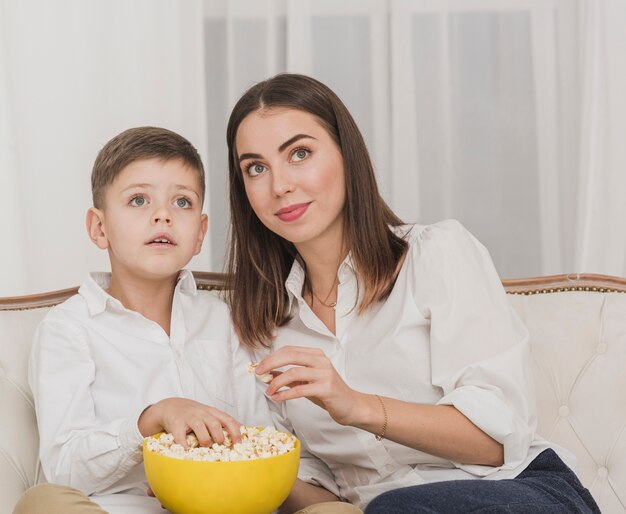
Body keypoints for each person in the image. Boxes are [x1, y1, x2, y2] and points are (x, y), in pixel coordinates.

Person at [224, 73, 601, 513]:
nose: (280, 185)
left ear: (348, 155)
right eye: (256, 168)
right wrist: (228, 474)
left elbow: (499, 441)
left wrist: (355, 405)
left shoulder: (436, 255)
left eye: (300, 154)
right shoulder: (265, 323)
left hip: (515, 491)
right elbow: (318, 490)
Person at [13, 127, 274, 514]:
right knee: (43, 502)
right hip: (125, 509)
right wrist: (149, 421)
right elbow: (65, 469)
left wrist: (205, 471)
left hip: (224, 503)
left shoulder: (223, 320)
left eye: (182, 202)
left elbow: (261, 434)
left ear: (200, 233)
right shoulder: (69, 329)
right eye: (139, 200)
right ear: (99, 228)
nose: (163, 215)